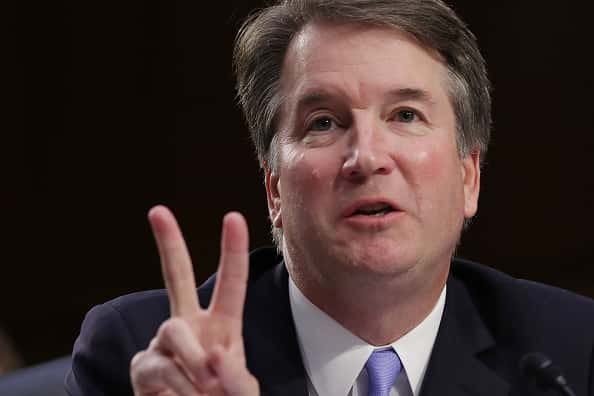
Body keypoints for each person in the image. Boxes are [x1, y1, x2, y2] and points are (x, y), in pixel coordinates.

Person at [66, 0, 594, 395]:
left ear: (469, 177)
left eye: (405, 115)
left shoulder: (569, 351)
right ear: (274, 189)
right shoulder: (146, 355)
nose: (367, 157)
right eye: (324, 123)